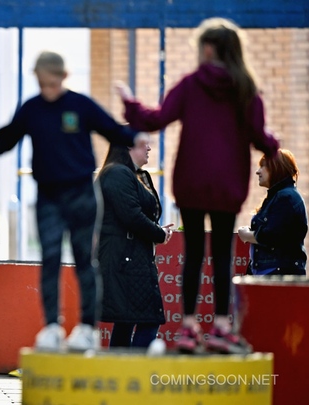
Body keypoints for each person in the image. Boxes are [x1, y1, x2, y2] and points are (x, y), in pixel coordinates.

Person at [0, 51, 136, 351]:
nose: (47, 90)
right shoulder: (32, 109)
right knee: (49, 259)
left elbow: (113, 129)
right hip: (48, 196)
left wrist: (138, 124)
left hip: (82, 193)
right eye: (42, 83)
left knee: (85, 260)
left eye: (52, 83)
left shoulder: (80, 105)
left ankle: (87, 328)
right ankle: (51, 327)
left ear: (62, 77)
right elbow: (5, 140)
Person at [115, 17, 280, 354]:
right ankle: (221, 327)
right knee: (222, 254)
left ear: (207, 49)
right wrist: (273, 142)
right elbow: (262, 140)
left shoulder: (190, 85)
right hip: (227, 186)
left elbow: (156, 119)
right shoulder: (246, 90)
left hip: (190, 182)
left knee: (193, 255)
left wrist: (130, 102)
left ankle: (189, 328)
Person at [96, 134, 173, 348]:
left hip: (131, 257)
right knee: (148, 318)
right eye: (144, 143)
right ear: (128, 146)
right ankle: (136, 369)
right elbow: (131, 215)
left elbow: (138, 215)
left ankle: (120, 371)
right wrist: (159, 234)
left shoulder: (133, 175)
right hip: (125, 259)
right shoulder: (117, 173)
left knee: (127, 321)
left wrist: (156, 230)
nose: (149, 148)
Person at [238, 149, 307, 276]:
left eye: (263, 166)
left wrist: (246, 235)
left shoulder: (285, 197)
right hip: (270, 273)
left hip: (277, 275)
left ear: (276, 168)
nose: (257, 171)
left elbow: (270, 236)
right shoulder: (279, 197)